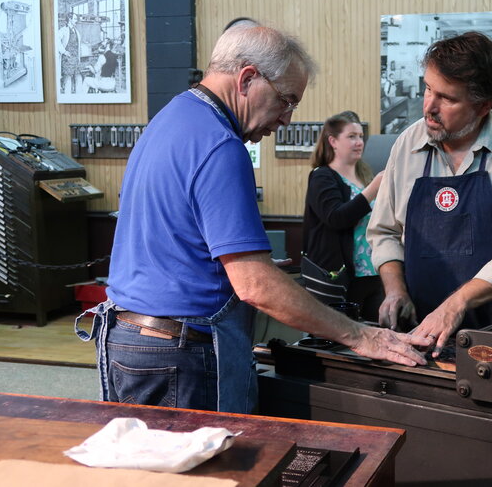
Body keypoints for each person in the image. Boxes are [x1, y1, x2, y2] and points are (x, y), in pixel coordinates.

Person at [75, 24, 429, 414]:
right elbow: (255, 285)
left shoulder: (170, 119)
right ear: (247, 78)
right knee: (211, 471)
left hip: (129, 338)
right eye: (286, 101)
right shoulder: (221, 146)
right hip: (180, 353)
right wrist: (360, 336)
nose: (287, 120)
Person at [367, 31, 492, 357]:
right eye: (427, 89)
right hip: (420, 335)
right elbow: (384, 232)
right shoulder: (408, 145)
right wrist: (395, 290)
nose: (429, 107)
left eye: (447, 99)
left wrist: (456, 304)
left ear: (483, 106)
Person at [302, 111, 384, 321]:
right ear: (333, 141)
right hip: (340, 275)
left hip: (372, 273)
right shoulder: (322, 176)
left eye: (360, 136)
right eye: (351, 136)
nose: (359, 142)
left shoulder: (365, 175)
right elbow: (336, 218)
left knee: (374, 333)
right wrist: (373, 190)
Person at [57, 12, 81, 94]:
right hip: (67, 59)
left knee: (78, 77)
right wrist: (64, 51)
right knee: (68, 79)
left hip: (75, 59)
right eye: (74, 19)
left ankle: (78, 98)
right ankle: (67, 97)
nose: (76, 21)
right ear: (70, 20)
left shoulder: (76, 31)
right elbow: (56, 41)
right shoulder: (63, 30)